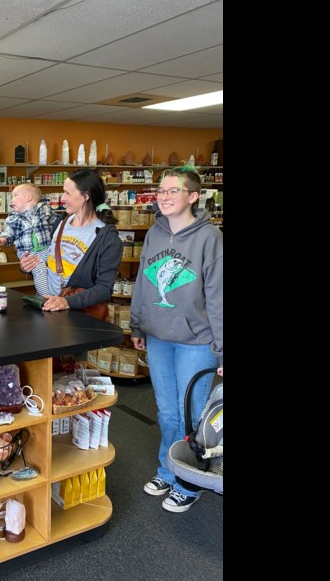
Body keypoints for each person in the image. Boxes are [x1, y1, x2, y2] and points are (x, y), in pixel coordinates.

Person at [129, 166, 222, 514]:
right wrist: (137, 325)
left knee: (191, 417)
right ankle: (168, 471)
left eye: (173, 190)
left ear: (193, 196)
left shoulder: (210, 239)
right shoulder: (154, 233)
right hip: (158, 338)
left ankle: (189, 483)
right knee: (167, 413)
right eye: (161, 190)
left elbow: (218, 297)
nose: (164, 196)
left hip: (195, 342)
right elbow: (142, 283)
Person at [19, 168, 122, 313]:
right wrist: (28, 266)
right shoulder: (62, 222)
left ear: (86, 196)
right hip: (47, 307)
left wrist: (66, 302)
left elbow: (104, 288)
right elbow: (50, 261)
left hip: (76, 314)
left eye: (67, 193)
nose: (63, 198)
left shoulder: (107, 238)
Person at [0, 183, 62, 296]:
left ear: (29, 197)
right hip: (28, 253)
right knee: (39, 269)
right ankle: (46, 297)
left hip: (47, 249)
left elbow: (58, 223)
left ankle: (58, 294)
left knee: (56, 268)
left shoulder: (45, 209)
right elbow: (9, 231)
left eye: (15, 195)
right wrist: (4, 238)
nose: (12, 200)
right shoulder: (14, 217)